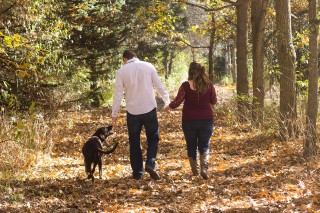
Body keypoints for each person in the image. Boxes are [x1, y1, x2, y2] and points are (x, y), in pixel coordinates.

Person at [112, 49, 170, 180]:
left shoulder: (121, 71)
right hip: (149, 108)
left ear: (124, 59)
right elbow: (159, 85)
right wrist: (167, 102)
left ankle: (137, 173)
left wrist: (114, 114)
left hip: (132, 111)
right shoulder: (148, 66)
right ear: (135, 57)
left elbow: (118, 94)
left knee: (134, 142)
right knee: (153, 137)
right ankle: (150, 162)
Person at [164, 61, 217, 180]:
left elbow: (178, 101)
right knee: (204, 145)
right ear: (202, 71)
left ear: (190, 71)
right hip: (206, 120)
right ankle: (204, 168)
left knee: (191, 145)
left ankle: (195, 172)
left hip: (189, 121)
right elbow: (213, 101)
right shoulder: (209, 85)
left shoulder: (185, 86)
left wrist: (169, 107)